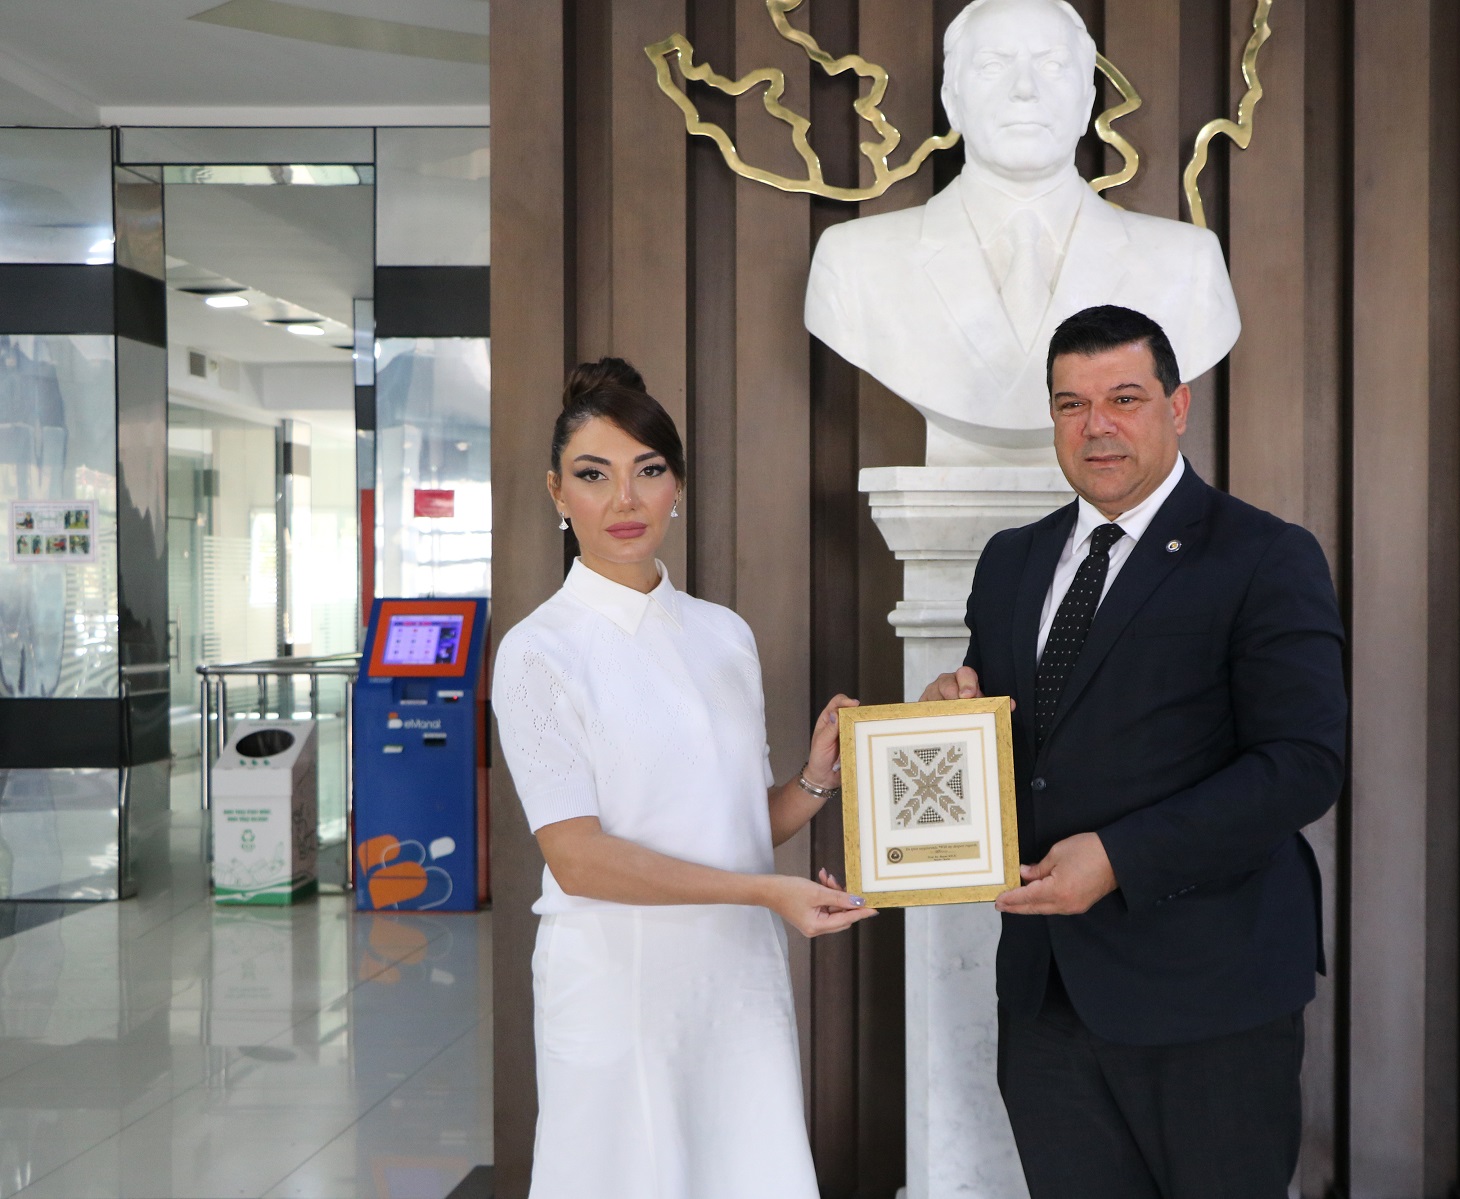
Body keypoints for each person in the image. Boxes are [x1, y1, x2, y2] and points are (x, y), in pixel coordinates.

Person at [920, 306, 1347, 1197]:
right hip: (1045, 995)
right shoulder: (1011, 561)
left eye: (1124, 398)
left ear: (1177, 406)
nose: (1097, 426)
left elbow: (1303, 762)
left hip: (1211, 989)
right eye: (1071, 404)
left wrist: (1119, 856)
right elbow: (1018, 740)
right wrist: (945, 725)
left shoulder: (1265, 555)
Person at [492, 358, 877, 1199]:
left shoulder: (724, 634)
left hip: (736, 976)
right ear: (557, 492)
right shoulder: (537, 652)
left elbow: (733, 824)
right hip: (618, 981)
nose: (624, 500)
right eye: (594, 475)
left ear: (678, 488)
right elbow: (578, 859)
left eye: (649, 470)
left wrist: (814, 781)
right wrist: (766, 892)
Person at [804, 0, 1238, 465]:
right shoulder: (853, 261)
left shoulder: (1189, 264)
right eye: (993, 65)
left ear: (1087, 100)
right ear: (952, 100)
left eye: (1053, 65)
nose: (1025, 90)